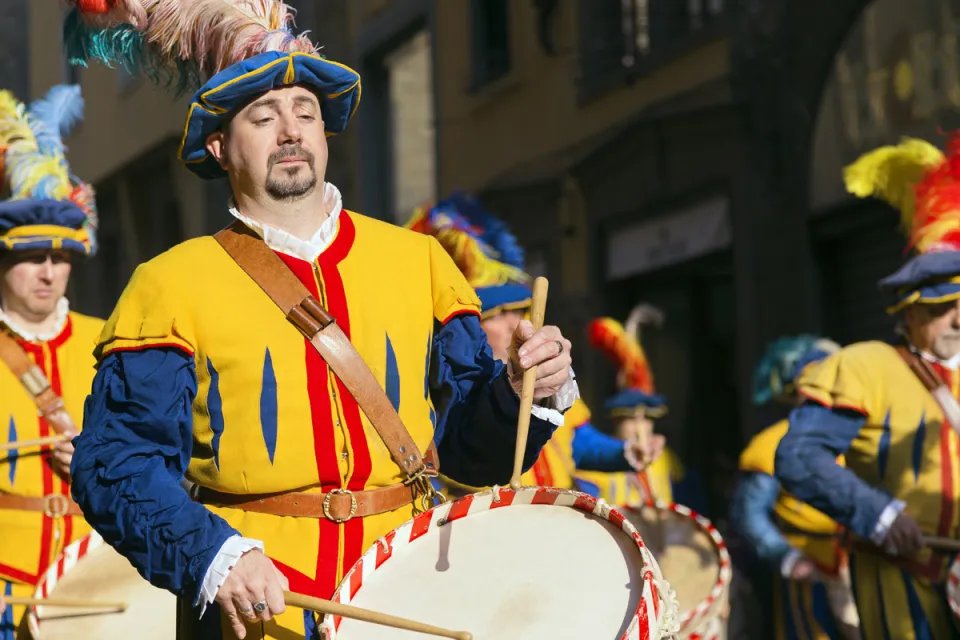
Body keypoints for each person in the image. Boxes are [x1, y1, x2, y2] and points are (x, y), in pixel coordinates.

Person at [64, 4, 577, 639]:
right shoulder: (167, 284)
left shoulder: (421, 261)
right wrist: (215, 557)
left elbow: (474, 452)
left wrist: (529, 388)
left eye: (305, 112)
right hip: (258, 608)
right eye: (263, 116)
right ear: (221, 146)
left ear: (326, 134)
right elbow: (118, 461)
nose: (290, 131)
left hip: (413, 597)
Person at [776, 136, 960, 639]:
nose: (958, 318)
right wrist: (876, 513)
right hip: (906, 575)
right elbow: (798, 458)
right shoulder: (864, 367)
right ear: (908, 312)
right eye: (942, 306)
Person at [406, 193, 658, 496]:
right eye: (498, 316)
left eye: (519, 312)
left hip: (550, 523)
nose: (516, 325)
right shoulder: (442, 391)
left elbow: (577, 443)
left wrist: (625, 453)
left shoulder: (544, 377)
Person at [0, 84, 102, 639]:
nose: (47, 272)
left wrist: (101, 459)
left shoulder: (109, 343)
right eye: (31, 257)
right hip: (4, 597)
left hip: (100, 591)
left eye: (59, 257)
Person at [731, 335, 859, 640]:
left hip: (859, 562)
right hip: (808, 569)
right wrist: (787, 557)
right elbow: (749, 513)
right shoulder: (770, 444)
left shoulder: (858, 432)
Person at [573, 308, 705, 511]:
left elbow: (689, 508)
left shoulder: (667, 460)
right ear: (616, 421)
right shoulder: (596, 467)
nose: (639, 427)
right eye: (631, 419)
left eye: (646, 419)